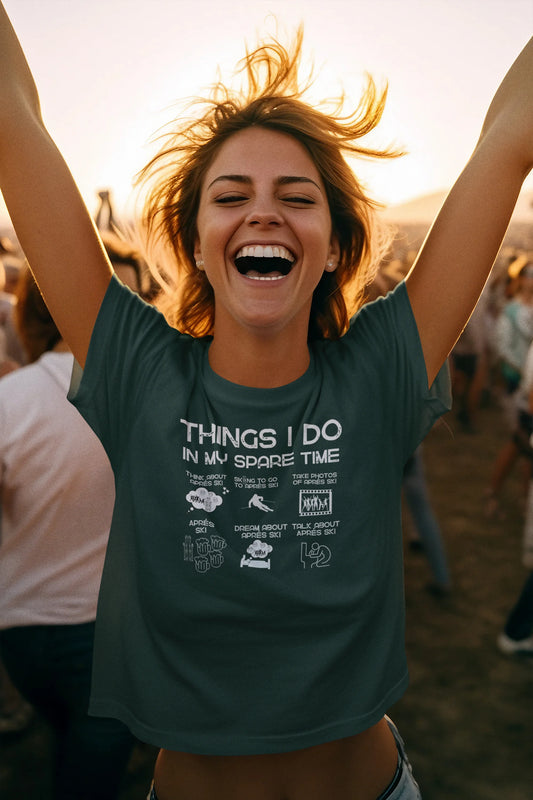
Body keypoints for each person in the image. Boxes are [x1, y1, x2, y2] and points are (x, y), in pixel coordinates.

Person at [0, 6, 532, 798]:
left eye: (296, 195)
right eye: (229, 195)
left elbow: (509, 138)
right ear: (192, 244)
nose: (262, 212)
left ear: (331, 248)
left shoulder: (381, 365)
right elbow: (13, 126)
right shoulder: (136, 368)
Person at [0, 266, 136, 799]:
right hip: (104, 635)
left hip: (19, 634)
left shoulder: (10, 398)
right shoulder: (139, 397)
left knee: (71, 742)